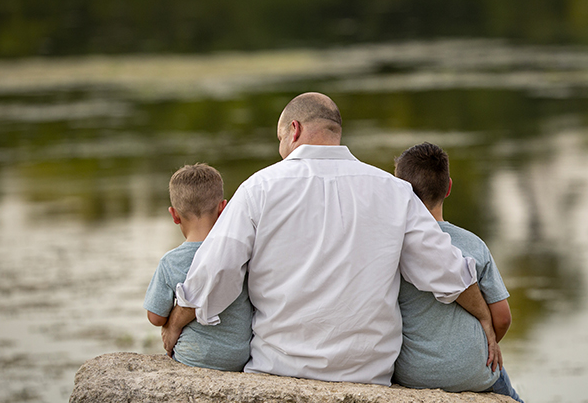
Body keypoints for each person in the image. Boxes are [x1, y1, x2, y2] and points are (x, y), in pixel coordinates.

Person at [167, 92, 499, 385]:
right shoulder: (394, 191)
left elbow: (215, 271)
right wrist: (484, 316)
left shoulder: (259, 187)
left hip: (280, 368)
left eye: (280, 139)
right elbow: (443, 268)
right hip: (368, 375)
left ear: (294, 130)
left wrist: (174, 325)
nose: (281, 150)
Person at [393, 142, 523, 402]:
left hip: (413, 374)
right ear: (449, 187)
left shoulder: (393, 243)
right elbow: (503, 318)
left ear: (400, 190)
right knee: (515, 400)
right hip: (474, 371)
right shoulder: (473, 244)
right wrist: (486, 345)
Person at [144, 163, 252, 371]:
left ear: (174, 215)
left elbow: (155, 317)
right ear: (223, 209)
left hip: (193, 358)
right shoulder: (241, 253)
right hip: (241, 355)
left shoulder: (171, 261)